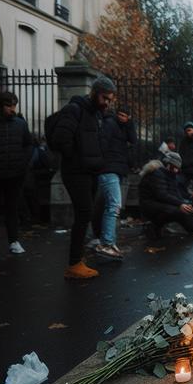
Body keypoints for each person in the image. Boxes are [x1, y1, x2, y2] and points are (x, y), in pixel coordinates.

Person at [50, 75, 115, 279]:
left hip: (90, 172)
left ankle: (77, 260)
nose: (107, 103)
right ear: (94, 93)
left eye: (110, 99)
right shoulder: (74, 109)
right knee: (84, 213)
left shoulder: (96, 114)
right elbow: (60, 139)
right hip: (76, 172)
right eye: (104, 98)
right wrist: (76, 159)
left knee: (86, 213)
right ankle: (74, 264)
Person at [0, 91, 32, 255]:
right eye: (9, 106)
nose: (13, 109)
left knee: (12, 207)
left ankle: (13, 241)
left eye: (14, 105)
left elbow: (28, 145)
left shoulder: (21, 124)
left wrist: (23, 164)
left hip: (15, 173)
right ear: (1, 106)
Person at [91, 105, 136, 260]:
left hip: (116, 169)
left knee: (107, 206)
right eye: (120, 114)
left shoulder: (123, 127)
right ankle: (106, 243)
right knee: (114, 205)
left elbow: (133, 140)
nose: (122, 117)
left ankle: (107, 242)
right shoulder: (110, 124)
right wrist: (103, 164)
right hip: (109, 169)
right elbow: (102, 145)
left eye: (125, 116)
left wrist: (130, 124)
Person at [139, 151, 193, 239]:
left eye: (177, 168)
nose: (176, 170)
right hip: (151, 205)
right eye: (174, 167)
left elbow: (175, 192)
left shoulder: (169, 175)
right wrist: (180, 204)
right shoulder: (157, 174)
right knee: (177, 211)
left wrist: (186, 204)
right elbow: (161, 195)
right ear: (168, 164)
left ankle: (159, 225)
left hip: (160, 203)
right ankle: (154, 225)